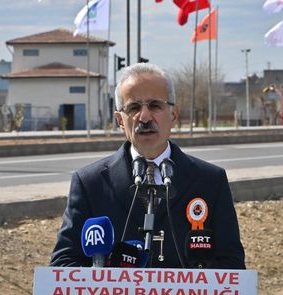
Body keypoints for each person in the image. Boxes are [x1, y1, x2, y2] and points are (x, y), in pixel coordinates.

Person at [50, 63, 245, 269]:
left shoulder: (210, 181)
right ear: (120, 120)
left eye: (154, 105)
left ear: (173, 115)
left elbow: (231, 264)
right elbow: (64, 263)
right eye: (133, 107)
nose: (144, 117)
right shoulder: (90, 183)